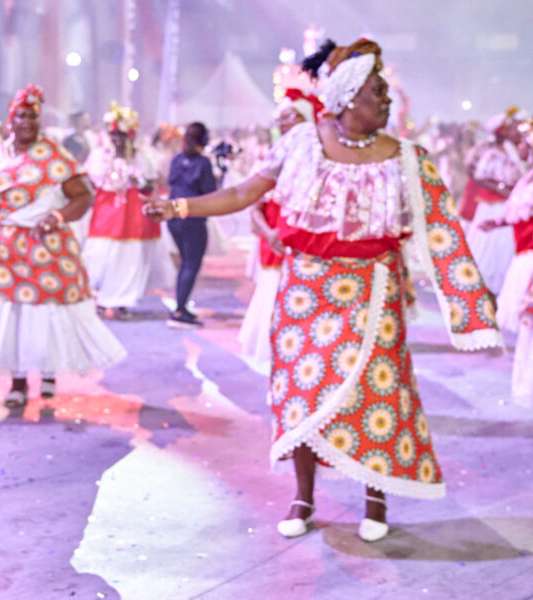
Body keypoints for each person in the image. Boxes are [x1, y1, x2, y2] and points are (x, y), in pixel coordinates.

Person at [147, 39, 501, 543]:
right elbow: (244, 192)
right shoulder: (301, 143)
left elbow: (445, 234)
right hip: (305, 293)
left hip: (373, 293)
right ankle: (303, 496)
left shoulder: (407, 158)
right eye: (378, 92)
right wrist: (180, 207)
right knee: (302, 393)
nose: (387, 100)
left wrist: (472, 310)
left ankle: (375, 499)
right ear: (348, 97)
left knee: (375, 392)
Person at [0, 85, 126, 408]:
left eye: (33, 117)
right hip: (1, 249)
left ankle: (48, 372)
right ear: (11, 119)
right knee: (12, 317)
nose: (27, 122)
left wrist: (58, 216)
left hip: (46, 245)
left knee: (47, 312)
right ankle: (18, 382)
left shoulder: (56, 157)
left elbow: (83, 196)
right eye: (22, 116)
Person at [238, 89, 321, 363]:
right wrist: (269, 233)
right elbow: (253, 206)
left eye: (290, 118)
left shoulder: (320, 160)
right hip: (275, 244)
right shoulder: (273, 159)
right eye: (281, 118)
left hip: (305, 249)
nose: (283, 124)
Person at [82, 101, 161, 318]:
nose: (117, 140)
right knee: (100, 256)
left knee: (129, 259)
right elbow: (89, 182)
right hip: (105, 215)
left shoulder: (142, 156)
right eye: (114, 135)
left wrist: (138, 180)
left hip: (132, 217)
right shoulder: (99, 156)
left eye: (122, 135)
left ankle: (121, 302)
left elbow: (151, 184)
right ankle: (99, 298)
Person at [478, 118, 533, 405]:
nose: (519, 146)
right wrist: (498, 222)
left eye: (524, 141)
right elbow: (521, 212)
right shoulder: (527, 178)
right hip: (524, 257)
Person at [461, 107, 529, 295]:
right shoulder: (493, 153)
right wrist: (503, 189)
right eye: (514, 128)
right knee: (491, 249)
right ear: (504, 131)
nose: (518, 133)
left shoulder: (518, 153)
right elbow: (479, 176)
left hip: (510, 207)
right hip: (494, 206)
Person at [165, 121, 217, 328]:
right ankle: (179, 310)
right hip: (192, 217)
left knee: (185, 262)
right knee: (190, 263)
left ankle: (181, 305)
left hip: (174, 218)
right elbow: (210, 192)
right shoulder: (203, 163)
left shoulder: (177, 159)